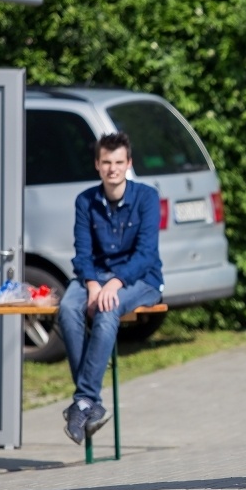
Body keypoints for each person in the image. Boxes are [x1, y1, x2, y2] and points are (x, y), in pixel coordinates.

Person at [58, 132, 164, 445]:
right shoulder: (85, 201)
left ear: (128, 163)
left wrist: (114, 284)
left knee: (108, 309)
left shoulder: (147, 197)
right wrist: (92, 284)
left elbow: (146, 254)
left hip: (140, 279)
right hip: (96, 277)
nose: (112, 168)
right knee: (67, 307)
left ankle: (83, 400)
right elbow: (82, 253)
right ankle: (89, 403)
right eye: (106, 162)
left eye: (118, 162)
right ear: (97, 164)